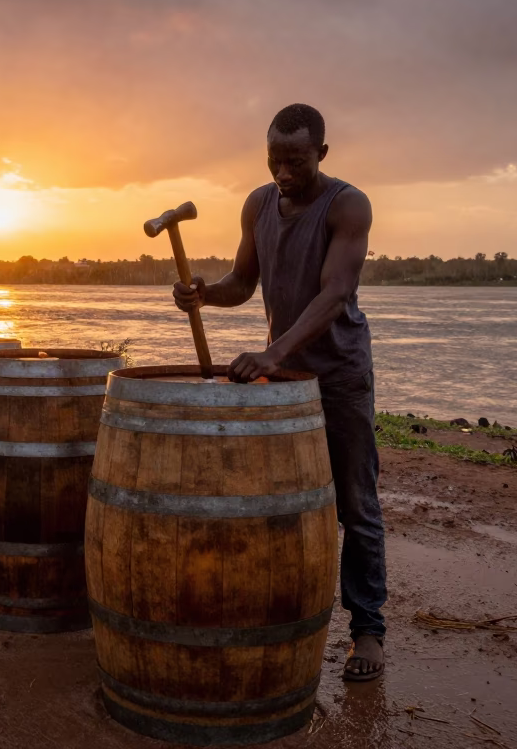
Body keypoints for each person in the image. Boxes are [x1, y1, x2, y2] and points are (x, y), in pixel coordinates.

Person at [172, 103, 386, 681]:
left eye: (296, 161)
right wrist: (203, 294)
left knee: (356, 505)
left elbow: (336, 291)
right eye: (275, 161)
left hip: (338, 374)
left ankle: (367, 631)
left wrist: (273, 351)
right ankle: (285, 612)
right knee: (282, 504)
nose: (284, 173)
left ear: (322, 153)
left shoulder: (347, 205)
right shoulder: (258, 204)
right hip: (286, 382)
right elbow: (243, 282)